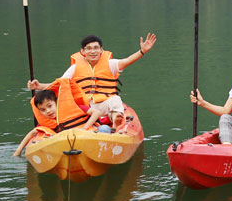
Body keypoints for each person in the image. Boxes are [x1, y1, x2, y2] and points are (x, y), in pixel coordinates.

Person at [27, 33, 156, 130]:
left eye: (96, 48)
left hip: (105, 103)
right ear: (83, 52)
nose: (93, 51)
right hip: (85, 106)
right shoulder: (75, 67)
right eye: (89, 48)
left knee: (116, 100)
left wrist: (142, 51)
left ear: (101, 50)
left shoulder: (111, 64)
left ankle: (117, 119)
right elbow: (60, 84)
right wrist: (39, 86)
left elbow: (127, 61)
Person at [13, 79, 106, 155]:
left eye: (50, 106)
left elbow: (96, 113)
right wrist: (18, 152)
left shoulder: (76, 107)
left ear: (57, 102)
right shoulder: (48, 122)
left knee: (105, 129)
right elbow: (32, 133)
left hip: (89, 135)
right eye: (43, 110)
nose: (48, 111)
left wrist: (84, 128)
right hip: (69, 145)